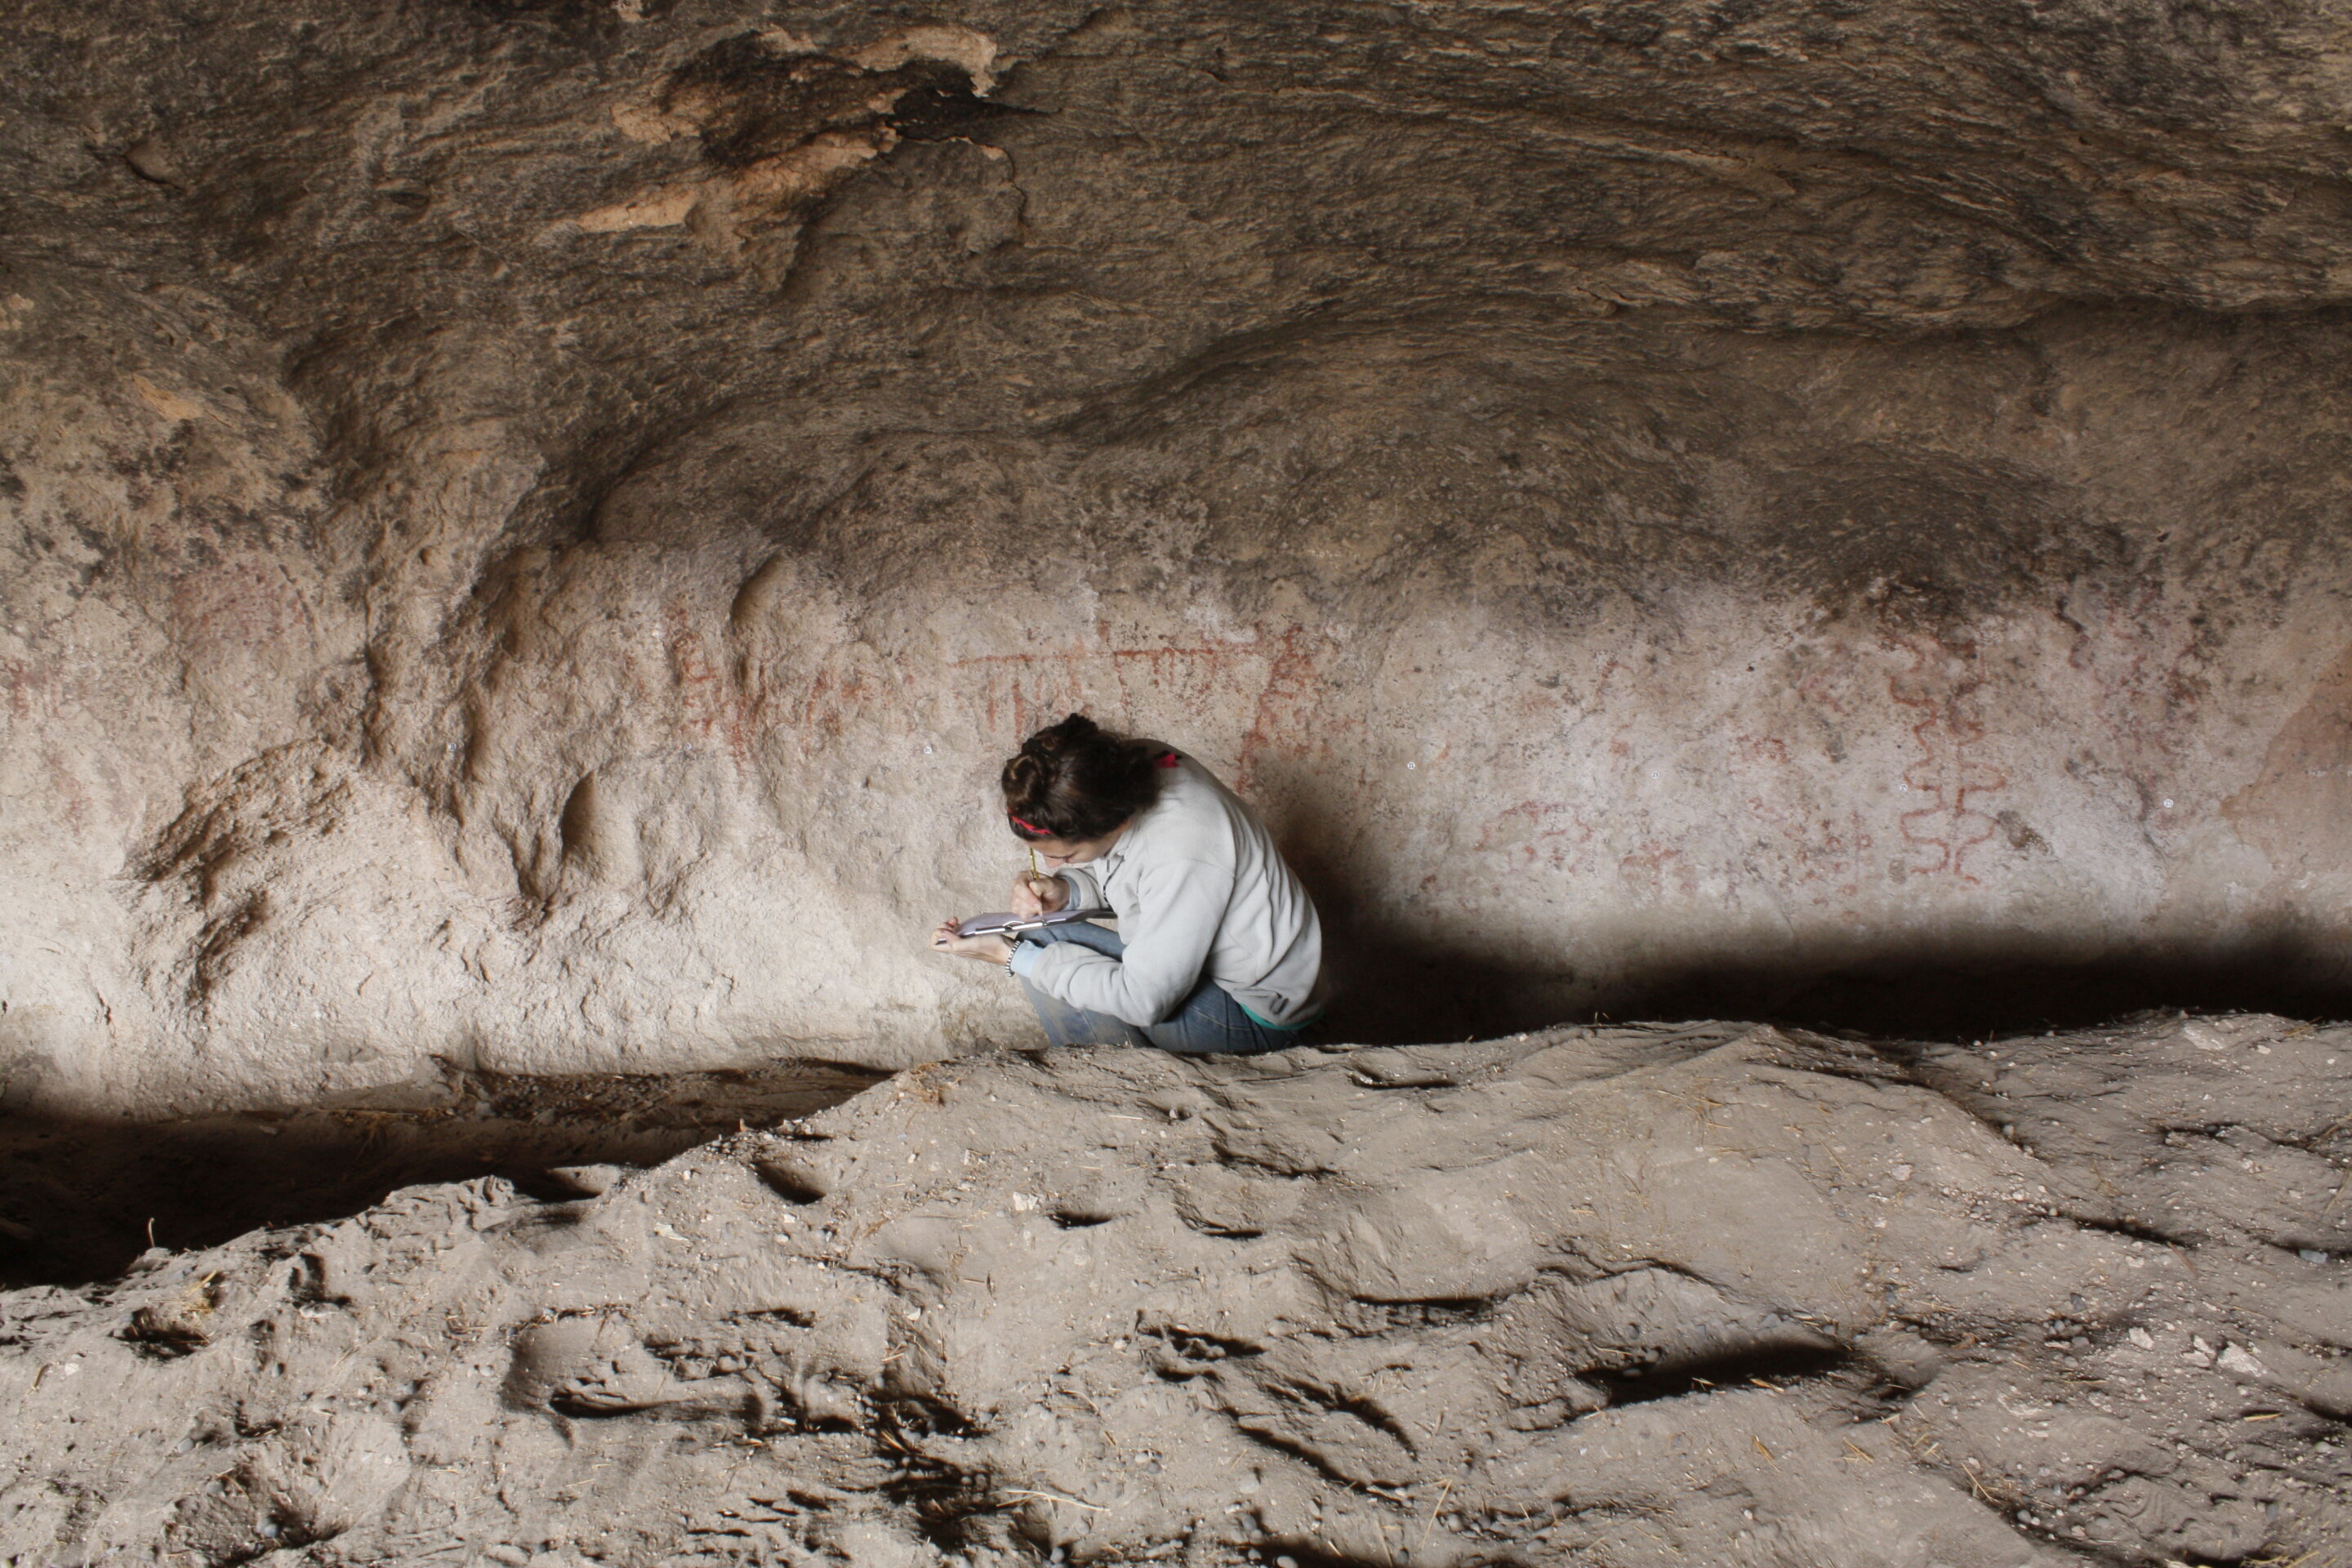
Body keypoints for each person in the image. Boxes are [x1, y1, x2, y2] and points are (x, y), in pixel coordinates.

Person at [929, 713, 1325, 1054]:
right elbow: (1135, 877)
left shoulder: (1184, 846)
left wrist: (1011, 957)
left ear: (1113, 822)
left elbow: (1143, 1001)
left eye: (1064, 856)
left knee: (1034, 947)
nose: (1050, 865)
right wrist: (1066, 890)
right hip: (1215, 979)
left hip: (1258, 1019)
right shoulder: (1121, 773)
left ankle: (1102, 1085)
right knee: (1042, 935)